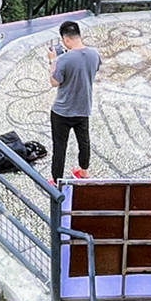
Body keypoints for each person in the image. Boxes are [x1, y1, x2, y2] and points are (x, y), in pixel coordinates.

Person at [45, 19, 101, 183]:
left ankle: (56, 181)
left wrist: (53, 60)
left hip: (62, 111)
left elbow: (55, 82)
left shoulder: (63, 59)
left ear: (66, 39)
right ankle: (83, 172)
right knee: (84, 141)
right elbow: (93, 69)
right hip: (83, 107)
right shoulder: (94, 54)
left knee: (60, 147)